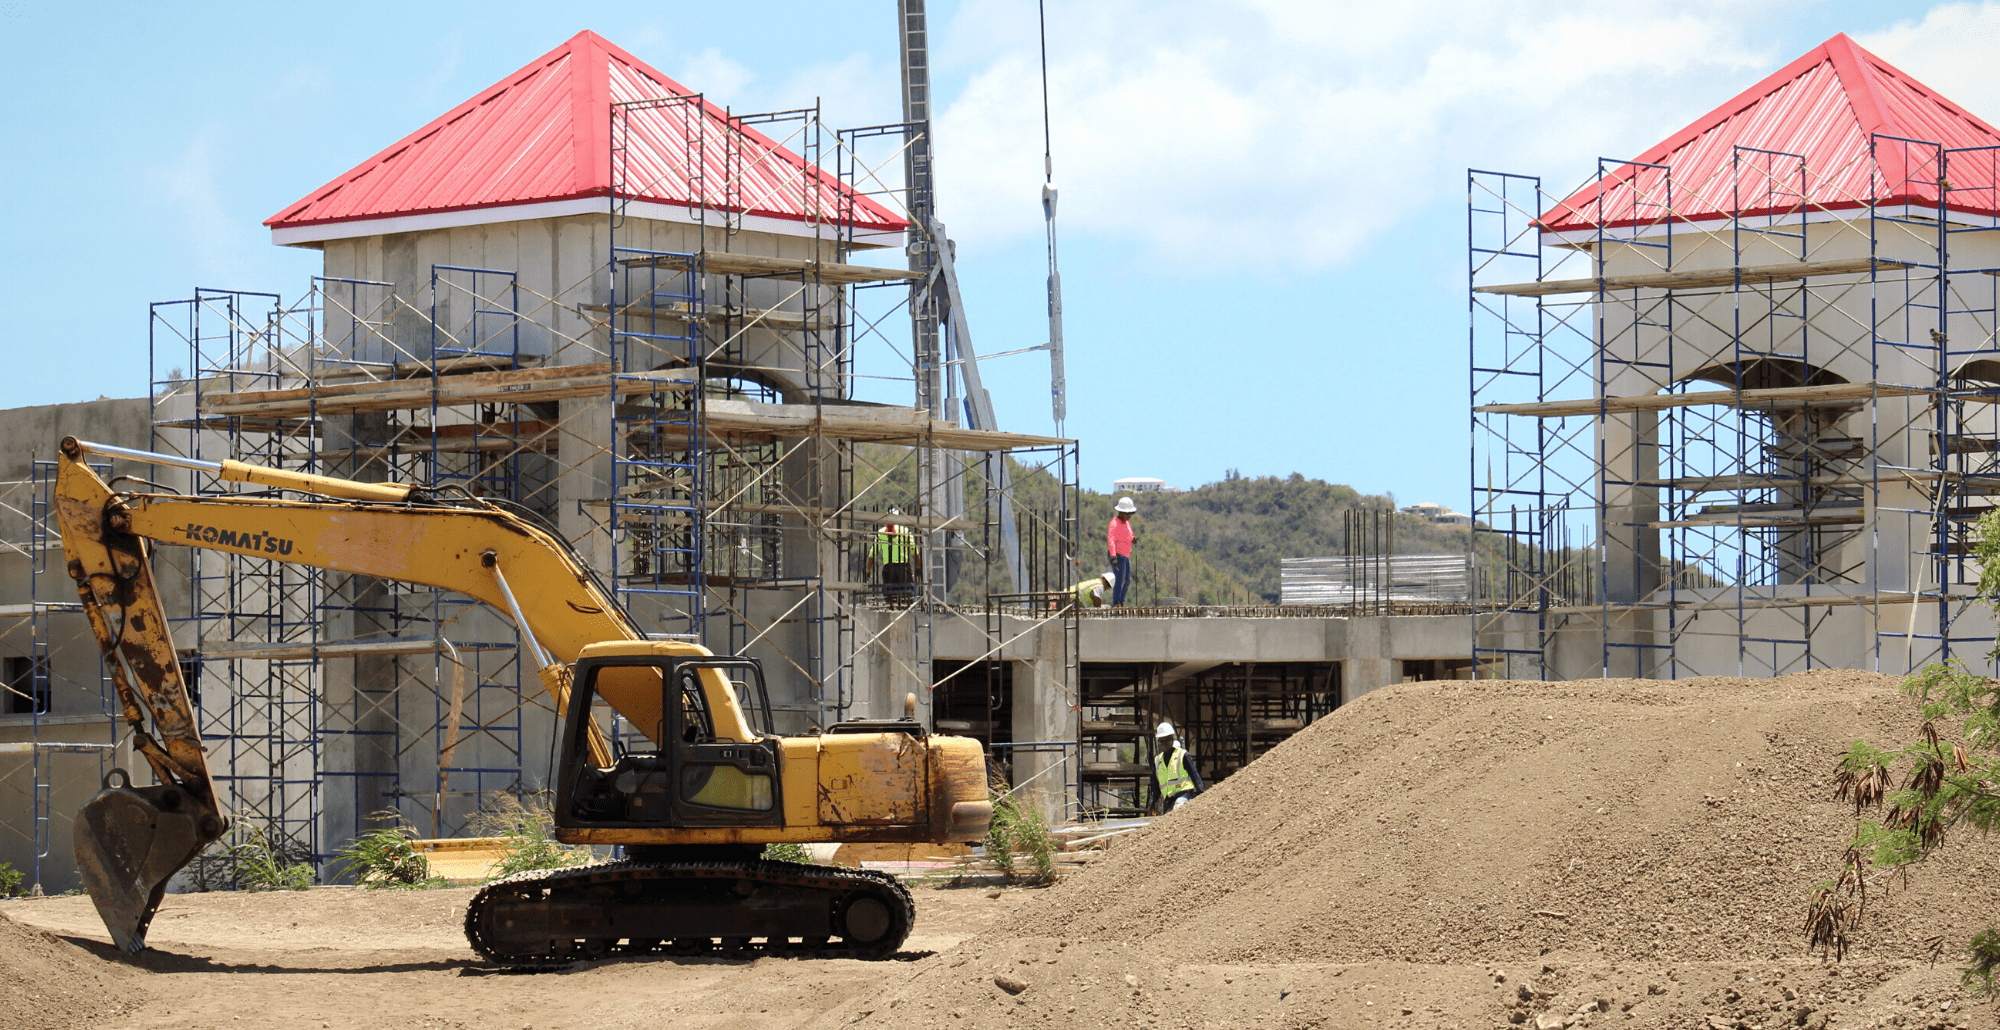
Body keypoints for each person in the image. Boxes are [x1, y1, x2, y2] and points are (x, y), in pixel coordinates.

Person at [1151, 721, 1204, 812]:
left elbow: (1195, 777)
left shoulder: (1182, 755)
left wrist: (1202, 795)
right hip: (1169, 800)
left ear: (1172, 739)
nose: (1164, 743)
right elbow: (1155, 787)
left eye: (1166, 740)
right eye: (1162, 741)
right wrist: (1152, 803)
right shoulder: (1158, 761)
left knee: (1178, 810)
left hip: (1184, 795)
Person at [871, 507, 916, 600]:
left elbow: (872, 554)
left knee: (890, 597)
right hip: (903, 568)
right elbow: (914, 552)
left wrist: (867, 570)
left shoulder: (882, 532)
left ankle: (891, 605)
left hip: (888, 568)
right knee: (906, 596)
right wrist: (919, 567)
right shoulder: (905, 531)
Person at [1107, 496, 1137, 606]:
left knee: (1127, 580)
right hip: (1117, 555)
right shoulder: (1114, 523)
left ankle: (1121, 602)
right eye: (1128, 514)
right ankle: (1116, 603)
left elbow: (1128, 534)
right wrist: (1113, 557)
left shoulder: (1126, 523)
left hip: (1125, 555)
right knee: (1119, 580)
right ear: (1122, 512)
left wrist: (1133, 539)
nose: (1129, 516)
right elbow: (1111, 540)